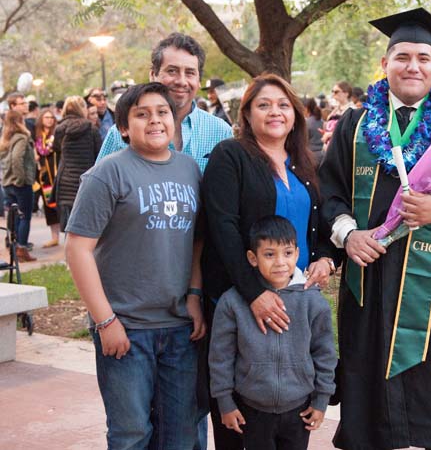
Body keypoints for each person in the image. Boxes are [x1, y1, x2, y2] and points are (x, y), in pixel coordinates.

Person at [319, 8, 431, 450]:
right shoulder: (355, 125)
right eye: (402, 57)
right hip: (371, 274)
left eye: (423, 57)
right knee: (370, 388)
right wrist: (347, 235)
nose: (412, 66)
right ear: (385, 64)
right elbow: (331, 192)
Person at [65, 82, 205, 450]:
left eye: (162, 112)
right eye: (142, 114)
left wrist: (194, 293)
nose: (155, 120)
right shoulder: (107, 174)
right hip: (126, 329)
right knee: (131, 436)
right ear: (124, 127)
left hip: (179, 330)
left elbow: (197, 241)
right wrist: (105, 320)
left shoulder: (190, 169)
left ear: (173, 121)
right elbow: (77, 249)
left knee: (180, 436)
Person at [201, 73, 335, 449]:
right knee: (242, 423)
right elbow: (222, 228)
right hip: (243, 299)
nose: (274, 112)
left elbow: (318, 223)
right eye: (263, 105)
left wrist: (325, 258)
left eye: (283, 105)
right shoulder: (232, 156)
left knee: (289, 412)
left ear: (295, 113)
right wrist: (254, 292)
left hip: (295, 298)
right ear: (247, 113)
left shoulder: (303, 163)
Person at [209, 215, 336, 450]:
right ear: (252, 258)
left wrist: (321, 399)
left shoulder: (313, 302)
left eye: (287, 253)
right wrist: (225, 402)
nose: (280, 262)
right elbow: (221, 356)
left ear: (297, 254)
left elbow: (324, 354)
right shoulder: (233, 302)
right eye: (269, 254)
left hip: (300, 409)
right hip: (252, 408)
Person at [96, 33, 233, 174]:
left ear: (199, 81)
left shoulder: (222, 132)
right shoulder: (122, 134)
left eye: (190, 72)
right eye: (172, 71)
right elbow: (97, 189)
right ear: (153, 75)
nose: (181, 81)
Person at [53, 96, 101, 231]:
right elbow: (100, 155)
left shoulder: (60, 128)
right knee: (87, 223)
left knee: (69, 223)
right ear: (82, 109)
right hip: (87, 179)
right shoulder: (91, 129)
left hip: (65, 181)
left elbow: (56, 149)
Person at [0, 110, 37, 262]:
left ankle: (15, 248)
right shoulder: (21, 137)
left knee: (14, 217)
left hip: (8, 183)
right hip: (19, 184)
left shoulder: (5, 139)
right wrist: (21, 179)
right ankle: (21, 249)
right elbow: (16, 159)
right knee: (24, 217)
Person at [34, 108, 61, 247]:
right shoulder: (38, 137)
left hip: (57, 174)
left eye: (51, 117)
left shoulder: (57, 133)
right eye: (46, 117)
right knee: (49, 206)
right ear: (41, 120)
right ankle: (54, 237)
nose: (49, 119)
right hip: (44, 177)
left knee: (61, 205)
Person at [321, 81, 352, 150]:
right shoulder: (334, 110)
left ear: (346, 93)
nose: (333, 94)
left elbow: (350, 131)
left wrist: (331, 134)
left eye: (336, 92)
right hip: (330, 148)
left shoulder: (353, 110)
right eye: (332, 91)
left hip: (343, 149)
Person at [302, 97, 324, 164]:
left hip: (311, 157)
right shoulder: (321, 121)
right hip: (323, 154)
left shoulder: (306, 123)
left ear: (306, 108)